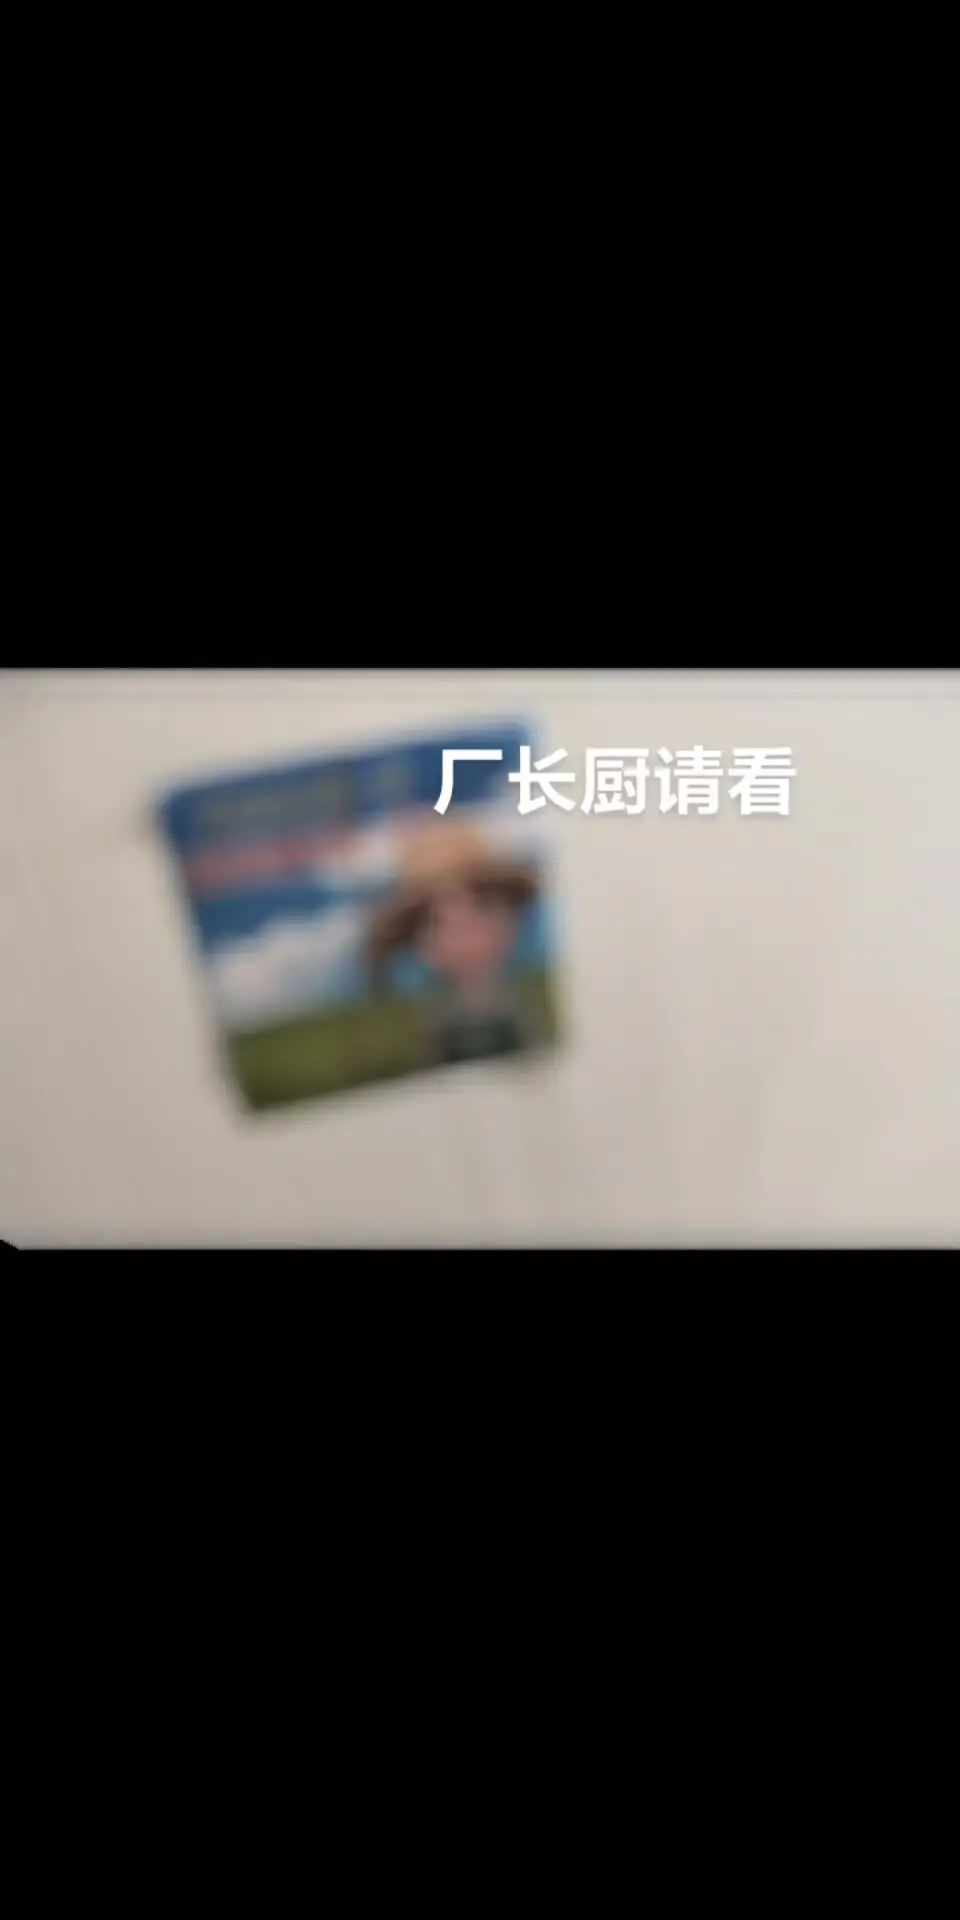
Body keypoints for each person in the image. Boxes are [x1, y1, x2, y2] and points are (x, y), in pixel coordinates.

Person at [366, 818, 545, 1066]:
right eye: (437, 922)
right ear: (420, 945)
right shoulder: (426, 1036)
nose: (465, 934)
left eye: (483, 906)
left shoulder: (540, 1014)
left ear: (511, 919)